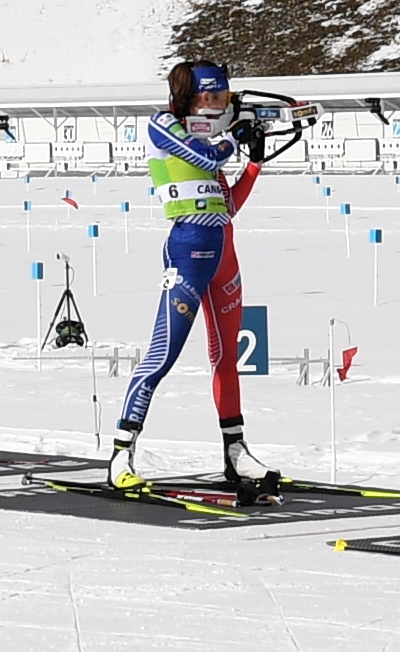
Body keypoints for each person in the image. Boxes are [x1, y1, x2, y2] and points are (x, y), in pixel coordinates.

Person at [107, 58, 273, 495]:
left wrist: (254, 162)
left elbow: (228, 205)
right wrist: (235, 136)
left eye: (224, 97)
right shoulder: (164, 125)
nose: (220, 104)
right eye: (214, 96)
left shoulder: (212, 138)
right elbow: (205, 153)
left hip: (224, 254)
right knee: (162, 356)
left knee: (226, 359)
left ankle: (235, 453)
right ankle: (121, 453)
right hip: (187, 251)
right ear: (194, 96)